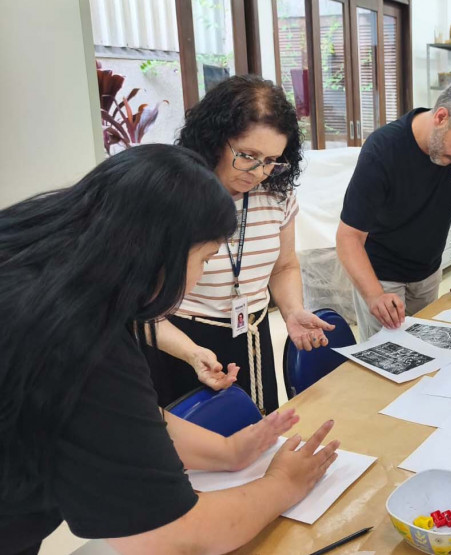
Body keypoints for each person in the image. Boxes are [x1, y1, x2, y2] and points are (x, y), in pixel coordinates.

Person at [0, 145, 340, 555]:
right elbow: (173, 535)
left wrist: (228, 452)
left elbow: (120, 417)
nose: (196, 279)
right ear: (162, 251)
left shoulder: (41, 262)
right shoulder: (76, 334)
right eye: (205, 259)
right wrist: (283, 484)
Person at [149, 75, 334, 414]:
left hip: (251, 333)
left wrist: (292, 310)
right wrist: (190, 352)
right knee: (200, 437)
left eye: (271, 160)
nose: (259, 172)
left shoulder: (276, 193)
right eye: (248, 155)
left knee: (258, 430)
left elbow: (285, 266)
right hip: (183, 342)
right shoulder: (171, 196)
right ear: (214, 139)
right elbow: (140, 308)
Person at [336, 79, 451, 341]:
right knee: (388, 355)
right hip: (381, 275)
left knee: (425, 348)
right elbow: (348, 237)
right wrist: (375, 296)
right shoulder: (383, 149)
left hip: (428, 270)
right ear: (441, 117)